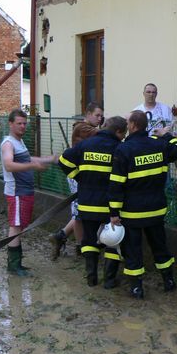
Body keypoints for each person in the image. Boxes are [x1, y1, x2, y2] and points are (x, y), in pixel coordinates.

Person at [108, 110, 177, 299]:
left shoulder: (123, 150)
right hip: (156, 209)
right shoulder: (159, 145)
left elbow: (116, 184)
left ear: (133, 125)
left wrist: (114, 212)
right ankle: (168, 281)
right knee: (160, 246)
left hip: (133, 212)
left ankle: (137, 288)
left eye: (128, 122)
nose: (126, 125)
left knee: (133, 250)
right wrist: (166, 135)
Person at [58, 116, 127, 287]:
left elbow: (63, 161)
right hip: (109, 206)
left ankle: (91, 278)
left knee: (89, 240)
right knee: (112, 240)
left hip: (87, 202)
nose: (124, 137)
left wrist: (79, 177)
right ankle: (109, 280)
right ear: (118, 132)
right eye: (123, 134)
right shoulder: (119, 148)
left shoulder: (85, 144)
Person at [1, 108, 57, 276]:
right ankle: (13, 266)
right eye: (19, 123)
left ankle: (16, 264)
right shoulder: (8, 143)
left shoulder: (20, 142)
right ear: (10, 124)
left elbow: (28, 159)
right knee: (15, 227)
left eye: (25, 123)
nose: (23, 126)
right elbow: (9, 165)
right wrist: (33, 166)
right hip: (17, 192)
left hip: (25, 192)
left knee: (19, 226)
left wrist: (49, 159)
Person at [50, 102, 104, 260]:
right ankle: (81, 248)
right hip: (77, 173)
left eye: (102, 116)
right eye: (97, 115)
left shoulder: (90, 128)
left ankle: (61, 236)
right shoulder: (83, 128)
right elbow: (103, 135)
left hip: (85, 173)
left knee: (82, 211)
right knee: (80, 212)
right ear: (87, 114)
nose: (100, 119)